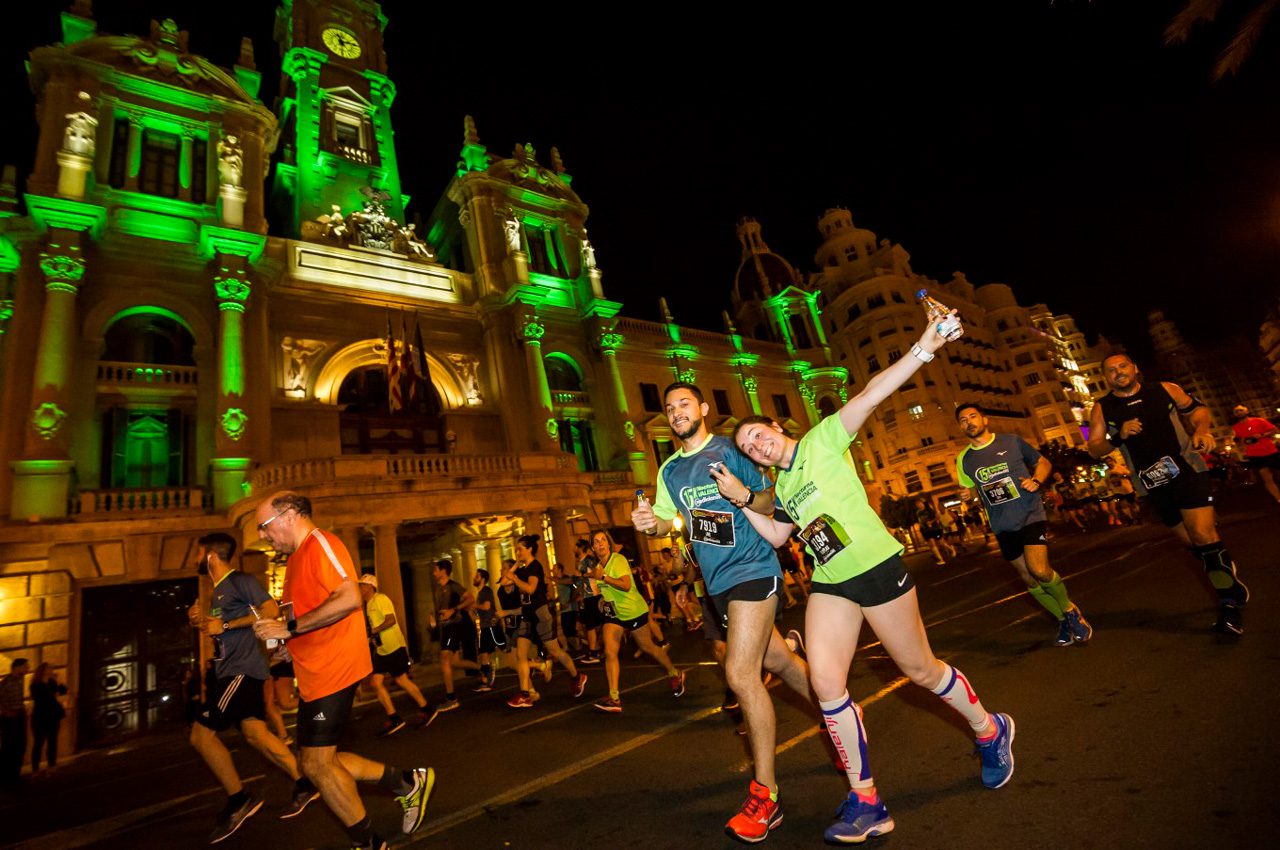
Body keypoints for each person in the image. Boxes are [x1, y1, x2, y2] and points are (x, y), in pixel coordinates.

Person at [726, 316, 1016, 844]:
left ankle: (990, 729)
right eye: (747, 447)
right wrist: (742, 501)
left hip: (878, 568)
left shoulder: (822, 440)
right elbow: (775, 536)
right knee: (826, 683)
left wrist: (923, 349)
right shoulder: (784, 485)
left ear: (776, 428)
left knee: (921, 671)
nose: (756, 447)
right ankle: (866, 799)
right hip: (831, 582)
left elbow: (870, 393)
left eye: (757, 435)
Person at [632, 381, 811, 844]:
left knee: (740, 674)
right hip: (716, 586)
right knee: (778, 661)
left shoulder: (732, 450)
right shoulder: (669, 469)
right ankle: (836, 710)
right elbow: (667, 524)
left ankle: (766, 796)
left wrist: (741, 494)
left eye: (684, 404)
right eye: (669, 408)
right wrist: (651, 524)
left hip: (754, 567)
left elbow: (772, 501)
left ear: (703, 408)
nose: (675, 413)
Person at [251, 492, 434, 850]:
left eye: (265, 526)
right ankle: (408, 782)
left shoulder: (321, 543)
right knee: (320, 762)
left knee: (316, 766)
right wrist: (290, 646)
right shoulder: (295, 561)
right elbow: (310, 618)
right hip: (315, 671)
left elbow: (349, 598)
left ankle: (371, 843)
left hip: (335, 668)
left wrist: (290, 630)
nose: (263, 535)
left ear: (288, 515)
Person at [1087, 353, 1251, 636]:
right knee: (1191, 541)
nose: (1118, 372)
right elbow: (1095, 447)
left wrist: (1202, 429)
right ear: (1105, 378)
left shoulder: (1165, 389)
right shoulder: (1102, 408)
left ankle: (1228, 605)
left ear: (1135, 368)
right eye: (1111, 370)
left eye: (1123, 366)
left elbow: (1197, 410)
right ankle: (1225, 572)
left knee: (1202, 535)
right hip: (1151, 482)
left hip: (1188, 469)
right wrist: (1119, 435)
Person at [186, 532, 318, 842]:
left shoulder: (239, 581)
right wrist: (202, 622)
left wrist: (226, 625)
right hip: (233, 671)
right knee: (256, 734)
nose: (194, 559)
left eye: (197, 552)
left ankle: (239, 800)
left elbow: (271, 611)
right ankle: (304, 784)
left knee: (201, 734)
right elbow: (222, 630)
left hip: (240, 672)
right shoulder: (217, 591)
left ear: (210, 555)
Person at [954, 405, 1093, 646]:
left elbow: (1044, 463)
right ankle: (1062, 619)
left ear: (985, 420)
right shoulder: (963, 459)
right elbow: (972, 491)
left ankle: (1070, 610)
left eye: (973, 416)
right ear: (960, 427)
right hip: (1001, 524)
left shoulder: (1011, 441)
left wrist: (1036, 480)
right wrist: (968, 496)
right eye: (963, 420)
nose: (969, 422)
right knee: (1028, 579)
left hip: (1030, 513)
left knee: (1039, 569)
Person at [588, 529, 686, 713]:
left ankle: (675, 673)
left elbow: (625, 585)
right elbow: (604, 589)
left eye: (603, 540)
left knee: (648, 647)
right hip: (614, 614)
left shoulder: (618, 560)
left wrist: (603, 577)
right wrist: (601, 599)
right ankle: (614, 697)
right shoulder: (597, 566)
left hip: (633, 611)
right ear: (592, 547)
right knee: (610, 652)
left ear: (608, 543)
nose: (600, 543)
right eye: (596, 541)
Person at [504, 535, 588, 708]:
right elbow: (506, 580)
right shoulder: (522, 568)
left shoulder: (535, 566)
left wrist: (515, 578)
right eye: (516, 549)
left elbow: (531, 588)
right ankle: (525, 694)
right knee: (520, 654)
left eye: (520, 548)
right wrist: (515, 566)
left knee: (555, 651)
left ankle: (577, 676)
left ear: (529, 549)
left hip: (540, 614)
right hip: (527, 616)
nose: (517, 551)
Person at [358, 574, 432, 735]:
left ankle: (426, 708)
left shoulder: (380, 599)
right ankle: (394, 718)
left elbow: (391, 620)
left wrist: (373, 631)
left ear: (370, 586)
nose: (360, 588)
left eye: (362, 585)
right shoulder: (369, 603)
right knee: (376, 683)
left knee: (401, 680)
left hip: (394, 647)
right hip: (382, 649)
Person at [430, 560, 483, 712]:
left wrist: (453, 610)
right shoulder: (438, 588)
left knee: (444, 658)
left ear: (443, 571)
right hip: (444, 627)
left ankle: (451, 698)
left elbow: (470, 598)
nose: (434, 572)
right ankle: (483, 668)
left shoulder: (453, 586)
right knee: (455, 661)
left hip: (454, 625)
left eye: (436, 569)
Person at [1231, 404, 1280, 505]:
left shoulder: (1259, 420)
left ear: (1246, 411)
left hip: (1271, 451)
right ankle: (1278, 499)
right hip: (1255, 455)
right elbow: (1238, 441)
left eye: (1241, 410)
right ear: (1234, 415)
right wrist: (1243, 441)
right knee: (1267, 478)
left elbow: (1275, 430)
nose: (1239, 412)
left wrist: (1261, 435)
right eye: (1236, 411)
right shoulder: (1235, 428)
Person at [29, 663, 67, 776]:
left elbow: (63, 690)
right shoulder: (35, 685)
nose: (52, 669)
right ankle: (35, 769)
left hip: (53, 716)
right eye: (50, 668)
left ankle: (52, 765)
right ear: (44, 670)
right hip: (40, 716)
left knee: (52, 741)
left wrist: (59, 680)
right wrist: (54, 694)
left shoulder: (52, 682)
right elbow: (41, 698)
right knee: (39, 743)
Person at [573, 539, 605, 664]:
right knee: (590, 625)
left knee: (596, 624)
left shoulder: (589, 560)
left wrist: (584, 575)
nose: (573, 549)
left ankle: (595, 651)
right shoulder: (578, 562)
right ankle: (595, 650)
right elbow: (578, 581)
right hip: (586, 597)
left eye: (575, 546)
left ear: (580, 547)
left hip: (594, 595)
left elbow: (598, 573)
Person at [471, 569, 503, 691]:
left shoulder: (486, 590)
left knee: (506, 650)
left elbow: (487, 606)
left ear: (483, 579)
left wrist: (475, 606)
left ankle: (532, 664)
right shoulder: (480, 593)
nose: (474, 577)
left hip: (492, 626)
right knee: (483, 653)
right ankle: (485, 681)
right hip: (486, 626)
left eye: (477, 576)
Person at [0, 658, 29, 787]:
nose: (27, 669)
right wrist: (5, 711)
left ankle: (15, 774)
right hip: (10, 718)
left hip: (19, 715)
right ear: (16, 667)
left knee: (20, 746)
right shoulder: (7, 681)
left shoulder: (20, 680)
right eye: (25, 666)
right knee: (9, 747)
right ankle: (7, 776)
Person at [263, 645, 297, 745]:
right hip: (267, 664)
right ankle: (283, 735)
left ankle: (315, 701)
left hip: (282, 663)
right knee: (268, 704)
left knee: (285, 703)